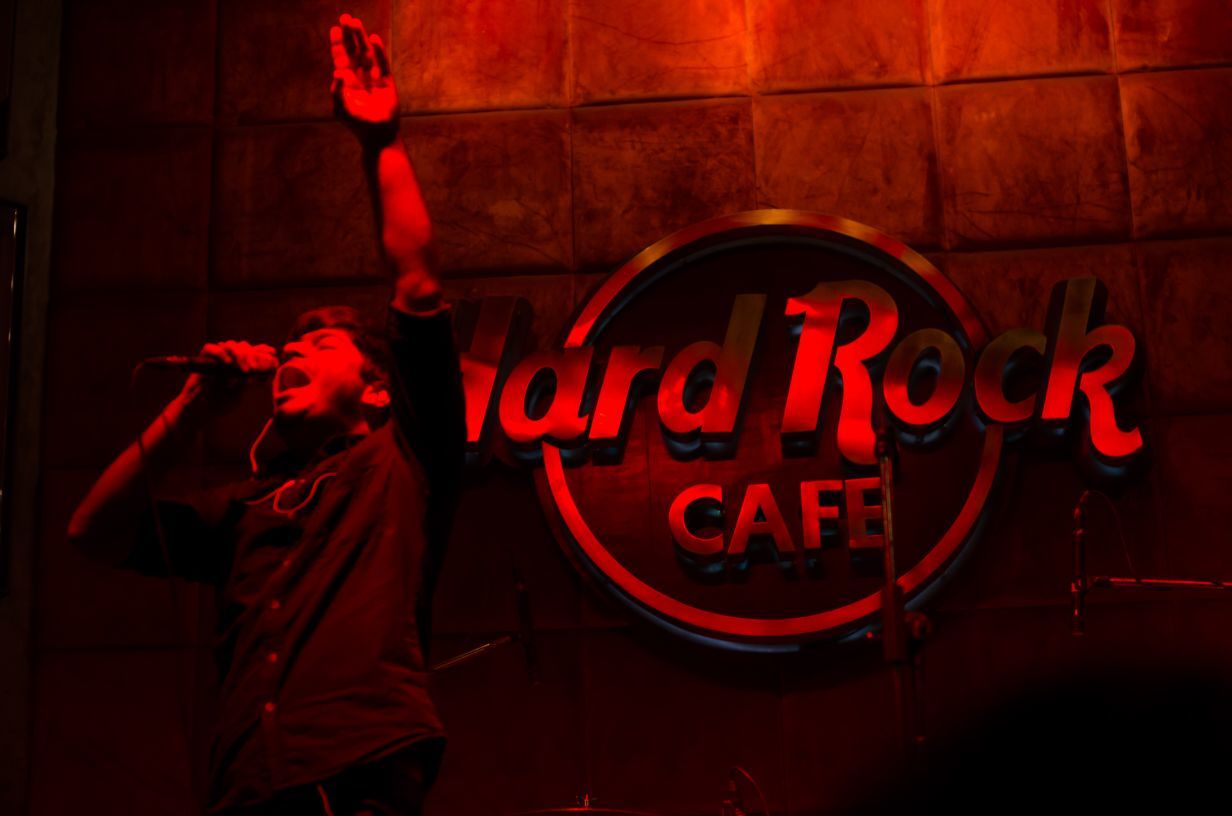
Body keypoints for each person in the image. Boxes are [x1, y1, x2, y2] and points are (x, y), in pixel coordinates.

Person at [67, 14, 465, 815]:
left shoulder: (404, 455)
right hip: (247, 784)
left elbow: (418, 283)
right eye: (291, 344)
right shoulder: (247, 505)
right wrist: (191, 407)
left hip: (358, 767)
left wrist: (381, 141)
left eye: (320, 344)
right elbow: (93, 531)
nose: (292, 352)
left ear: (378, 389)